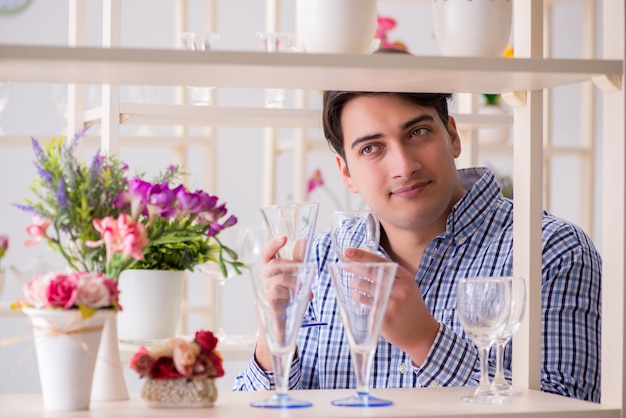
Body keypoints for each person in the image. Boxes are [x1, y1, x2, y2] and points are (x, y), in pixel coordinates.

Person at [233, 86, 601, 402]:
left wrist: (426, 341)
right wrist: (272, 345)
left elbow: (570, 405)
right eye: (371, 148)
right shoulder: (315, 261)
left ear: (453, 136)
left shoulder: (551, 252)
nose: (403, 166)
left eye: (417, 132)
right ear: (346, 173)